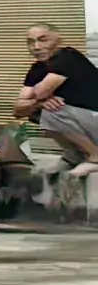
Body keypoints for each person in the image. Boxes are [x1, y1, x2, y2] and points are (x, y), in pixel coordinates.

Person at [9, 22, 98, 184]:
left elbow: (39, 92)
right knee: (39, 113)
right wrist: (39, 103)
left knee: (52, 112)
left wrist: (38, 100)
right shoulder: (36, 69)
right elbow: (18, 110)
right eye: (30, 42)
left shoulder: (68, 57)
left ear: (58, 40)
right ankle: (74, 156)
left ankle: (95, 157)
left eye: (43, 40)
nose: (36, 47)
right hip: (90, 122)